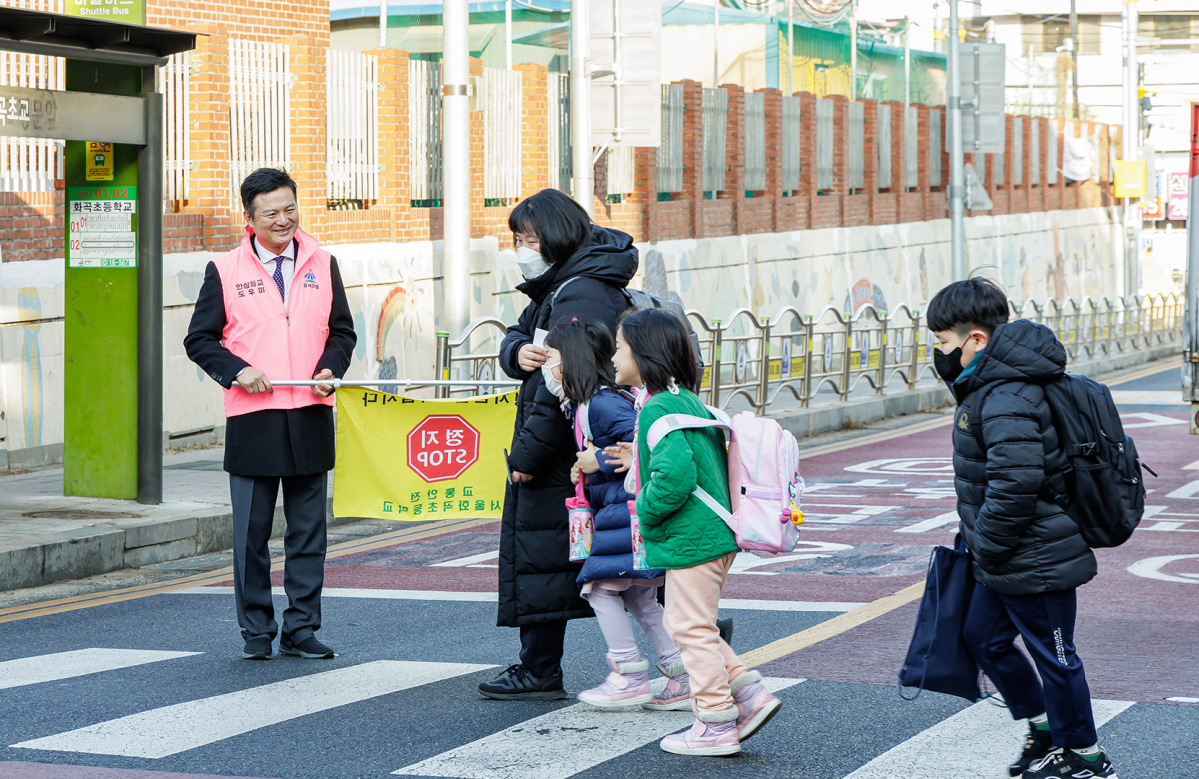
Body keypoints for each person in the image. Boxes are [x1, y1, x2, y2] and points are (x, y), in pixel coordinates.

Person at [927, 278, 1116, 779]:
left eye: (944, 343)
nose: (938, 354)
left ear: (978, 340)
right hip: (1007, 551)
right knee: (982, 639)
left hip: (1034, 553)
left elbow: (1017, 481)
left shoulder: (1006, 394)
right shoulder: (989, 386)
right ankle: (1047, 732)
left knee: (1056, 656)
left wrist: (985, 542)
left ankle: (1087, 758)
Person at [184, 168, 356, 661]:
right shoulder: (225, 269)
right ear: (250, 218)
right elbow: (199, 340)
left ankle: (301, 627)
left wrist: (331, 366)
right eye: (271, 213)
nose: (283, 220)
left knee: (308, 534)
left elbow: (342, 332)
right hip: (253, 416)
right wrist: (237, 371)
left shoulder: (323, 263)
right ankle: (256, 630)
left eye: (290, 209)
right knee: (251, 537)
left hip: (309, 410)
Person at [479, 188, 638, 701]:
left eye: (529, 238)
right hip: (576, 447)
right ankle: (694, 634)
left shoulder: (580, 292)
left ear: (558, 235)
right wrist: (515, 351)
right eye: (518, 239)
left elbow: (561, 384)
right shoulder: (564, 284)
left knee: (553, 555)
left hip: (567, 454)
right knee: (608, 558)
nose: (522, 248)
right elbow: (519, 334)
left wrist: (525, 458)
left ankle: (540, 668)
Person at [607, 308, 781, 757]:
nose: (613, 356)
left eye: (621, 346)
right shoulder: (685, 399)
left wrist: (644, 509)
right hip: (716, 534)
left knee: (689, 629)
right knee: (693, 624)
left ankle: (716, 722)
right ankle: (747, 693)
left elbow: (676, 477)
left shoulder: (655, 406)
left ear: (644, 355)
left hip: (692, 536)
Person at [542, 320, 689, 711]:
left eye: (552, 358)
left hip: (624, 516)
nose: (547, 368)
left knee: (600, 589)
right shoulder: (594, 403)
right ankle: (682, 676)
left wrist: (599, 462)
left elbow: (641, 442)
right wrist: (589, 464)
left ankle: (629, 674)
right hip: (622, 514)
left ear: (570, 361)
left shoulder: (601, 403)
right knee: (641, 598)